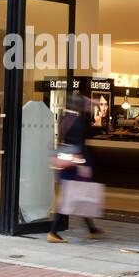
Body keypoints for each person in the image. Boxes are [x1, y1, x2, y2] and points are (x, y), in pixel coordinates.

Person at [47, 94, 104, 243]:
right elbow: (81, 145)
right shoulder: (79, 121)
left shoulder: (65, 119)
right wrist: (84, 165)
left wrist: (89, 102)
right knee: (70, 198)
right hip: (77, 164)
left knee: (78, 196)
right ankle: (53, 232)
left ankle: (92, 229)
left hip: (67, 163)